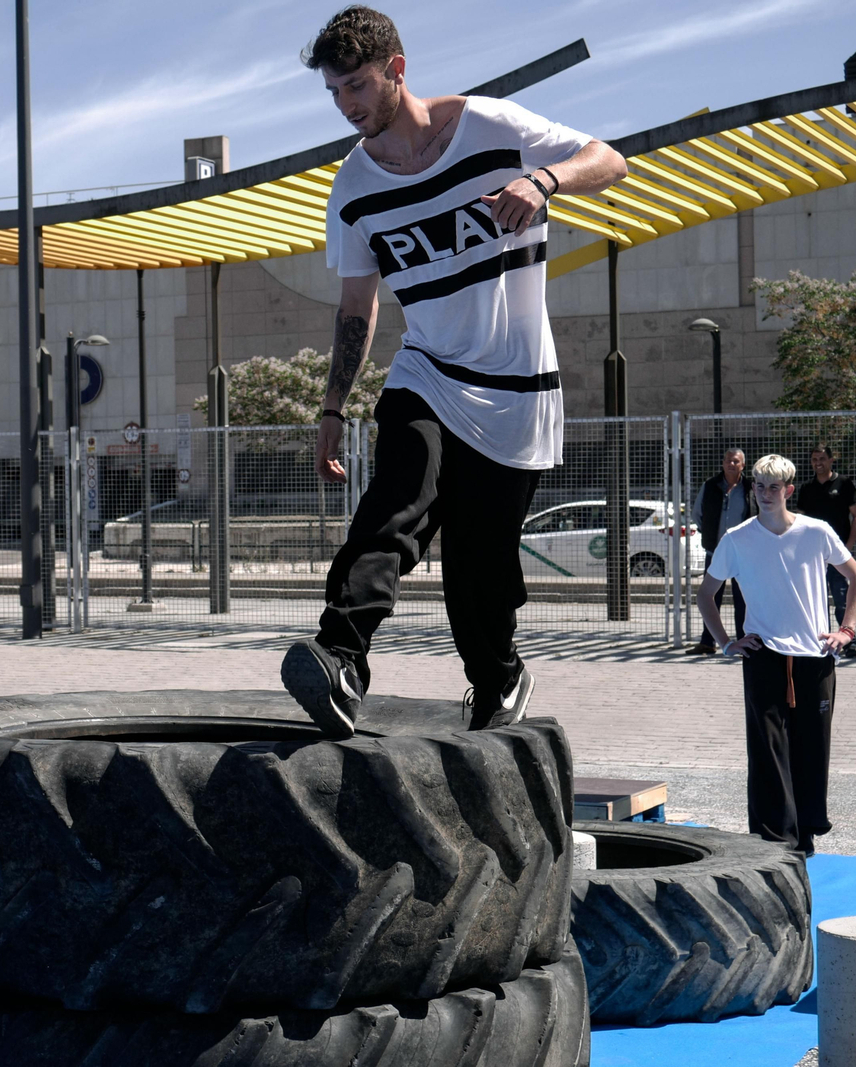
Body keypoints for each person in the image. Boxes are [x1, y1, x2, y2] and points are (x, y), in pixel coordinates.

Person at [278, 5, 627, 737]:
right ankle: (340, 655)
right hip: (427, 373)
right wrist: (333, 406)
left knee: (477, 569)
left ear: (397, 71)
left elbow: (609, 158)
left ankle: (498, 676)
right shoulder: (353, 189)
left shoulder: (490, 127)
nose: (347, 106)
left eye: (357, 86)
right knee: (394, 502)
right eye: (334, 92)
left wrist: (545, 181)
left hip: (517, 391)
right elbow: (357, 307)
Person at [697, 454, 856, 858]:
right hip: (764, 655)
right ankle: (774, 840)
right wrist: (727, 642)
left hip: (815, 654)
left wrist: (846, 630)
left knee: (811, 747)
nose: (765, 493)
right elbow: (706, 594)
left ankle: (806, 833)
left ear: (789, 490)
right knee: (768, 751)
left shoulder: (816, 531)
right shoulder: (737, 538)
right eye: (759, 486)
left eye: (774, 487)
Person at [796, 443, 856, 658]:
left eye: (822, 459)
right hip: (812, 556)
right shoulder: (806, 488)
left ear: (831, 460)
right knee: (816, 600)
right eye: (814, 459)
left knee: (842, 598)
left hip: (837, 555)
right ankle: (820, 641)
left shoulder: (844, 484)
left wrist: (847, 547)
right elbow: (799, 520)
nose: (818, 463)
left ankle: (849, 642)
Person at [687, 447, 756, 654]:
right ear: (723, 463)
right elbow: (697, 514)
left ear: (743, 465)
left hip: (743, 554)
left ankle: (743, 641)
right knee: (711, 597)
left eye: (736, 461)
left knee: (742, 599)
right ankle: (708, 642)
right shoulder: (710, 486)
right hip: (715, 552)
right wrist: (709, 533)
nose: (731, 464)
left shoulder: (750, 488)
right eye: (728, 460)